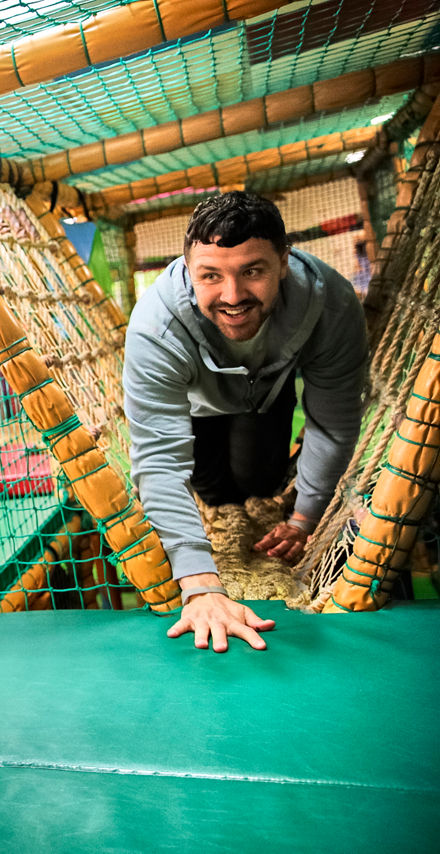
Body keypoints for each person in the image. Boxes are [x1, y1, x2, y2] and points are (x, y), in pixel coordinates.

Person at [123, 191, 366, 652]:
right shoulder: (156, 327)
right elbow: (157, 459)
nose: (232, 296)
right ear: (188, 269)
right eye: (210, 276)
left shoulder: (330, 303)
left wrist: (303, 517)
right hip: (197, 408)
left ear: (284, 261)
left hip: (269, 396)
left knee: (259, 480)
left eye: (252, 271)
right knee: (215, 491)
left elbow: (334, 420)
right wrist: (200, 585)